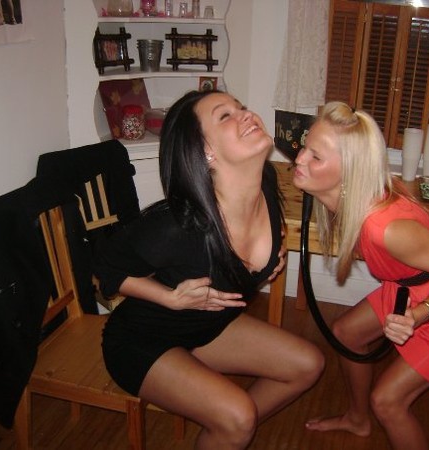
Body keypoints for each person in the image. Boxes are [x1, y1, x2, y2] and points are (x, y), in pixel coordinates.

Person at [94, 90, 325, 450]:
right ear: (206, 151)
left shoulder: (265, 185)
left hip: (207, 328)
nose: (246, 114)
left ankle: (229, 431)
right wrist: (169, 298)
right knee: (238, 416)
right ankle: (233, 426)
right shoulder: (177, 225)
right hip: (141, 342)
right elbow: (103, 268)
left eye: (241, 107)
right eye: (225, 116)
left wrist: (268, 262)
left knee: (308, 364)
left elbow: (244, 255)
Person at [292, 102, 429, 450]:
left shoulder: (386, 228)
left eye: (315, 156)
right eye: (305, 146)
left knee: (388, 402)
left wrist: (419, 314)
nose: (299, 159)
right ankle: (357, 419)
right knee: (347, 333)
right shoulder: (349, 199)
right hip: (420, 281)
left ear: (350, 171)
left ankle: (371, 414)